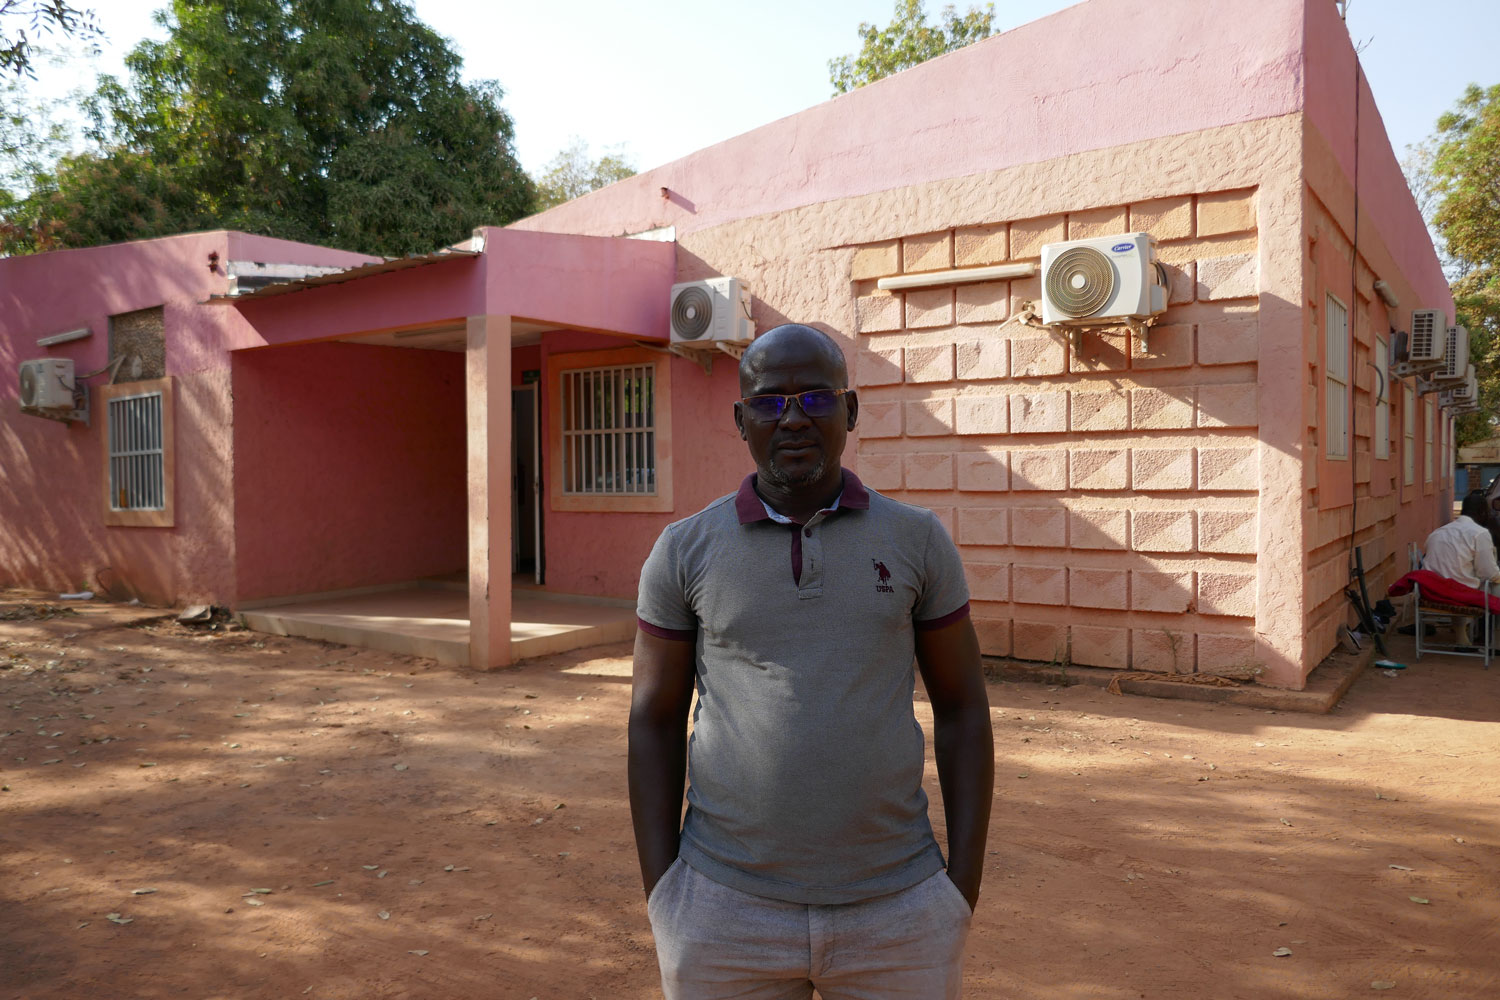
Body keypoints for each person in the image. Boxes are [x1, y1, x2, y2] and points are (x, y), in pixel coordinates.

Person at [630, 324, 994, 999]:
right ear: (742, 420)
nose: (792, 418)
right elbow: (653, 718)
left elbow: (964, 707)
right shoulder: (684, 551)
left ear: (849, 411)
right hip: (721, 907)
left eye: (815, 399)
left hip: (900, 906)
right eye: (769, 402)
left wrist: (959, 891)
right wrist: (665, 893)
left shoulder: (917, 541)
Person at [1423, 490, 1500, 592]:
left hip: (1430, 591)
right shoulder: (1480, 533)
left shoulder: (1437, 533)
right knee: (1495, 585)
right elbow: (1489, 573)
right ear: (1483, 513)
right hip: (1460, 594)